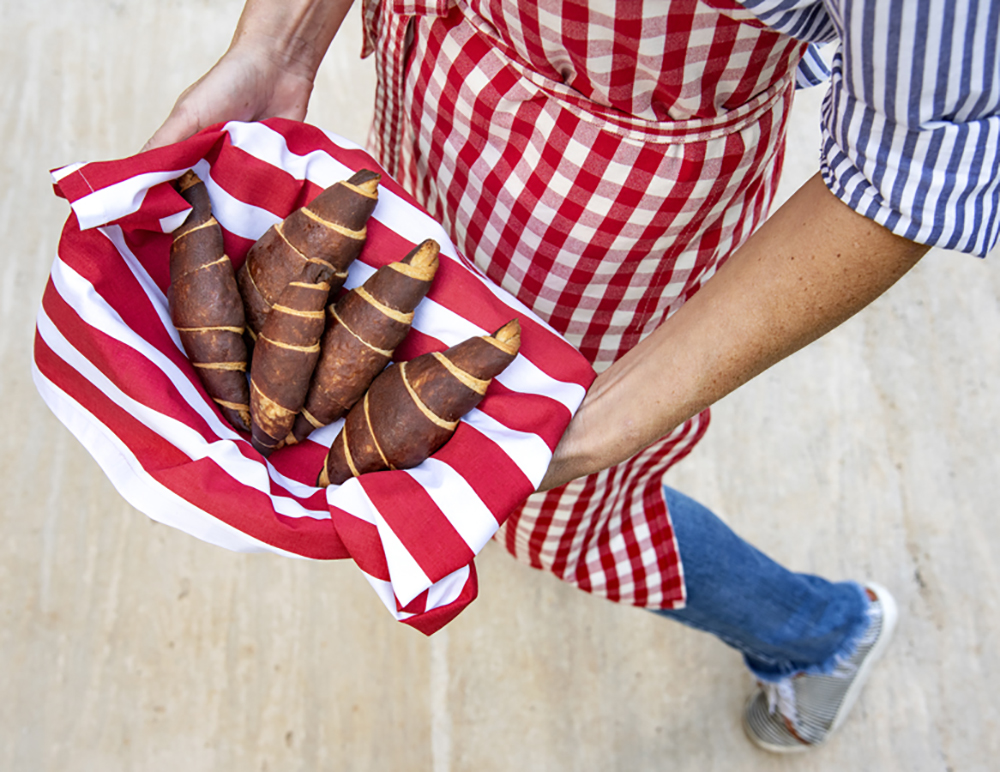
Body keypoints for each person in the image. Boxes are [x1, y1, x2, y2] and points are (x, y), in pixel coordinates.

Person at [144, 0, 998, 753]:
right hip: (438, 85)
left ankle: (821, 631)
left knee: (563, 509)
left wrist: (600, 425)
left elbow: (913, 163)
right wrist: (282, 47)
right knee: (409, 371)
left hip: (606, 204)